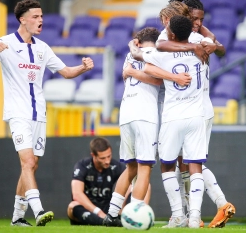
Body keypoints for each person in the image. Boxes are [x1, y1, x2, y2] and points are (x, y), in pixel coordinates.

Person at [0, 0, 94, 227]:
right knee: (28, 161)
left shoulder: (43, 48)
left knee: (31, 166)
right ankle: (38, 210)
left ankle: (17, 217)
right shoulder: (5, 43)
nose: (40, 20)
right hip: (18, 113)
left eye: (41, 16)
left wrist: (83, 67)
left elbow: (67, 72)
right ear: (22, 19)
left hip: (39, 114)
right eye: (35, 17)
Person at [156, 0, 236, 228]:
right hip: (196, 108)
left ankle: (195, 210)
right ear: (183, 15)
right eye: (195, 18)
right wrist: (201, 42)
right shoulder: (194, 40)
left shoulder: (181, 36)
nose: (199, 23)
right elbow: (218, 49)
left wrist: (206, 37)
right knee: (189, 164)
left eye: (201, 19)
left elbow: (220, 49)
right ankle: (194, 212)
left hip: (194, 109)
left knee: (187, 164)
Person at [129, 15, 207, 228]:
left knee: (166, 165)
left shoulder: (161, 53)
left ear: (171, 33)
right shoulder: (202, 48)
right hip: (196, 115)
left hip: (173, 116)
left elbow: (146, 67)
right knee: (195, 166)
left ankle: (178, 215)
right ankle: (194, 217)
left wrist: (172, 77)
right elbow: (217, 45)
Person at [103, 27, 163, 227]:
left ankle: (111, 215)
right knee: (145, 168)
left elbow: (125, 75)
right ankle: (135, 214)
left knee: (130, 168)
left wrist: (132, 71)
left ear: (138, 41)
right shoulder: (155, 54)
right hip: (144, 115)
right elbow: (157, 80)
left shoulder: (130, 56)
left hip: (126, 113)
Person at [68, 137, 136, 225]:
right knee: (72, 206)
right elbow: (77, 194)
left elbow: (132, 182)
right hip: (88, 208)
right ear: (93, 155)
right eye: (102, 158)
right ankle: (104, 222)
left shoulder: (115, 166)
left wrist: (121, 204)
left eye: (109, 156)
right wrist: (98, 212)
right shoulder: (82, 165)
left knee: (140, 185)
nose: (107, 161)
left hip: (108, 208)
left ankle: (137, 217)